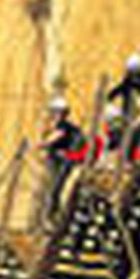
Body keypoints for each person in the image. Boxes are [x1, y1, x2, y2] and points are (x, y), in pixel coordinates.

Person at [39, 97, 91, 227]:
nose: (54, 115)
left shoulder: (63, 126)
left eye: (56, 112)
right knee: (55, 188)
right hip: (65, 160)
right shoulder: (67, 126)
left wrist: (42, 144)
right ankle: (52, 216)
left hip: (64, 161)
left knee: (55, 188)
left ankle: (52, 217)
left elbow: (57, 136)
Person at [109, 53, 140, 154]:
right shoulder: (128, 82)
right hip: (129, 114)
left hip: (138, 116)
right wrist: (112, 95)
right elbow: (119, 89)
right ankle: (117, 142)